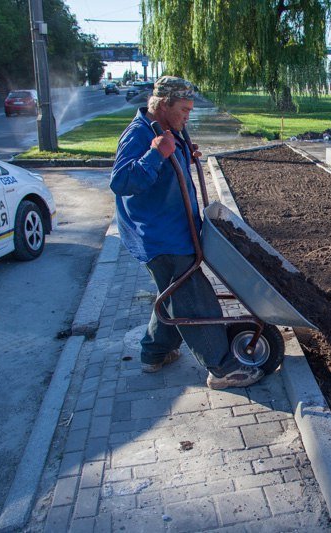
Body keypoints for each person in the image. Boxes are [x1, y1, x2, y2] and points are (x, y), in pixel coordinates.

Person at [110, 76, 263, 389]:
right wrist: (156, 154)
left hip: (177, 227)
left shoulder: (169, 130)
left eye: (191, 109)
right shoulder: (139, 134)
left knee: (172, 291)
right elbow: (122, 182)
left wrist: (181, 152)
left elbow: (166, 162)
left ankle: (154, 354)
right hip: (160, 234)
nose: (188, 115)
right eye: (183, 108)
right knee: (192, 295)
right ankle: (222, 368)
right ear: (164, 104)